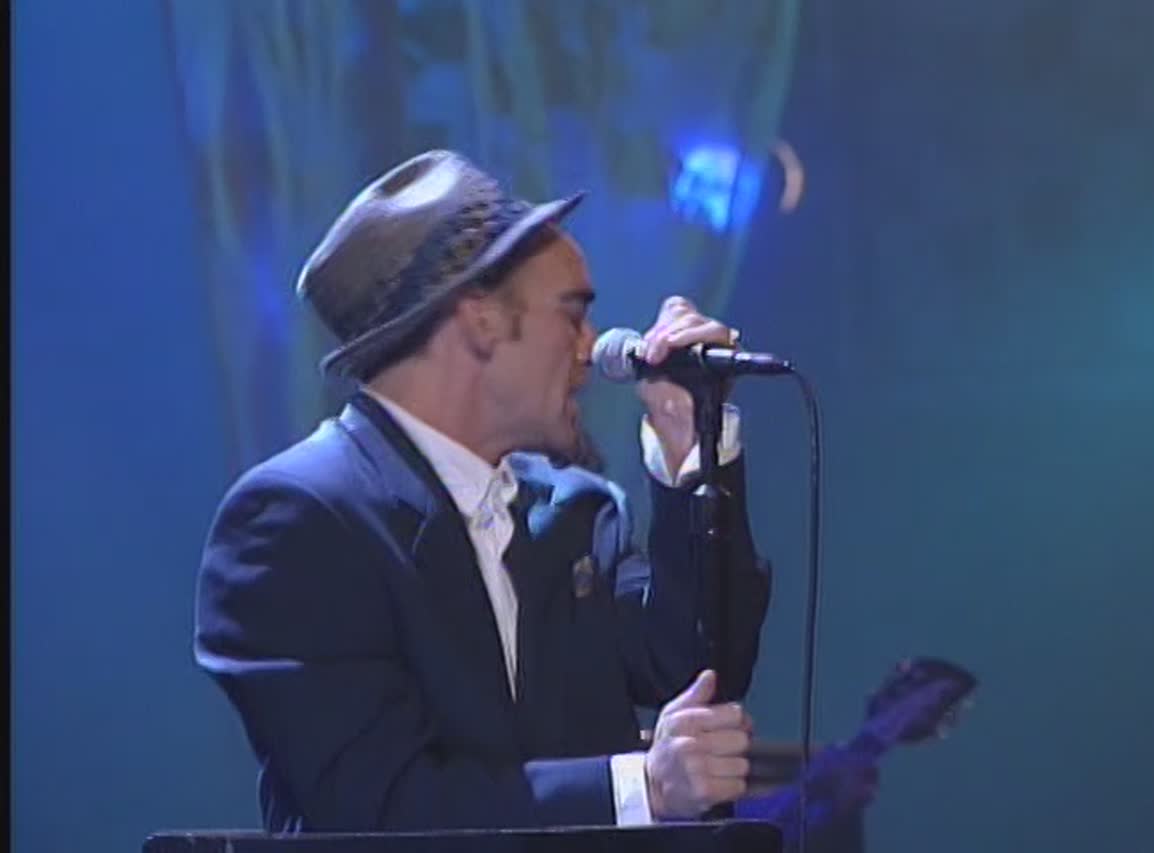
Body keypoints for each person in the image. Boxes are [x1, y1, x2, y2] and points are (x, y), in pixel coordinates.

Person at [195, 150, 773, 832]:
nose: (593, 349)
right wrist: (638, 785)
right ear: (481, 323)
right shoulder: (297, 524)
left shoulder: (574, 512)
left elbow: (698, 668)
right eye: (572, 316)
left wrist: (692, 445)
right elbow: (378, 809)